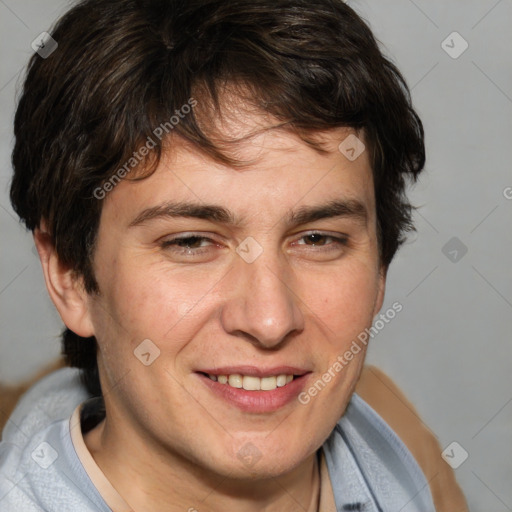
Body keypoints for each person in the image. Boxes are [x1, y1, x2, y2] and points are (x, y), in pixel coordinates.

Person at [1, 0, 468, 510]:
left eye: (318, 238)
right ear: (68, 274)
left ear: (380, 267)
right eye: (191, 242)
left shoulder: (401, 445)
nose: (270, 320)